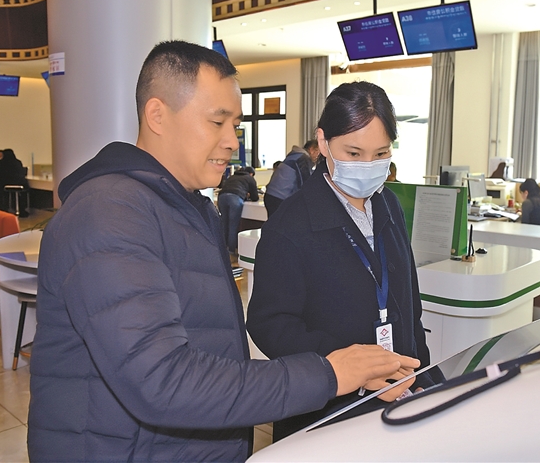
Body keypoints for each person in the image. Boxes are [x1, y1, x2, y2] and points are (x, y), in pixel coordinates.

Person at [27, 41, 420, 463]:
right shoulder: (108, 214)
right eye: (217, 122)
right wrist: (330, 372)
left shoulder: (189, 208)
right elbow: (162, 380)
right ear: (157, 115)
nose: (232, 141)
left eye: (235, 125)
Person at [247, 81, 443, 441]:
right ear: (323, 143)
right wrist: (350, 367)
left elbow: (408, 303)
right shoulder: (289, 225)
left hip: (400, 396)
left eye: (381, 153)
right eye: (354, 153)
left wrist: (423, 375)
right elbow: (270, 324)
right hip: (328, 412)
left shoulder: (389, 205)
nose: (368, 165)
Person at [262, 139, 319, 216]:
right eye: (318, 152)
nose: (318, 156)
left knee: (275, 222)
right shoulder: (303, 158)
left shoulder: (294, 155)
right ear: (311, 149)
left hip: (271, 195)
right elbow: (305, 183)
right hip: (280, 198)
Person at [218, 165, 258, 256]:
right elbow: (255, 197)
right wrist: (247, 195)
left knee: (224, 224)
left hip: (222, 197)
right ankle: (231, 251)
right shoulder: (249, 178)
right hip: (235, 198)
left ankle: (222, 250)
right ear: (251, 174)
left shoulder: (232, 177)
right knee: (233, 226)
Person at [0, 148, 29, 216]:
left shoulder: (1, 162)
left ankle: (3, 208)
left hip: (6, 184)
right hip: (20, 184)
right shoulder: (18, 162)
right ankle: (22, 210)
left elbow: (0, 173)